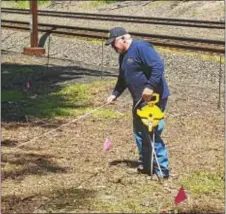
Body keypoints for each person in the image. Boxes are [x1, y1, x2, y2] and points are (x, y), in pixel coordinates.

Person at [106, 27, 170, 178]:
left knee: (152, 132)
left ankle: (162, 169)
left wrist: (150, 87)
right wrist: (115, 94)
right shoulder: (123, 55)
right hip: (138, 100)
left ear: (123, 39)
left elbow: (158, 66)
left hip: (153, 100)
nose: (113, 48)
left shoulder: (142, 48)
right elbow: (123, 78)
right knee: (139, 132)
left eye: (113, 44)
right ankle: (147, 165)